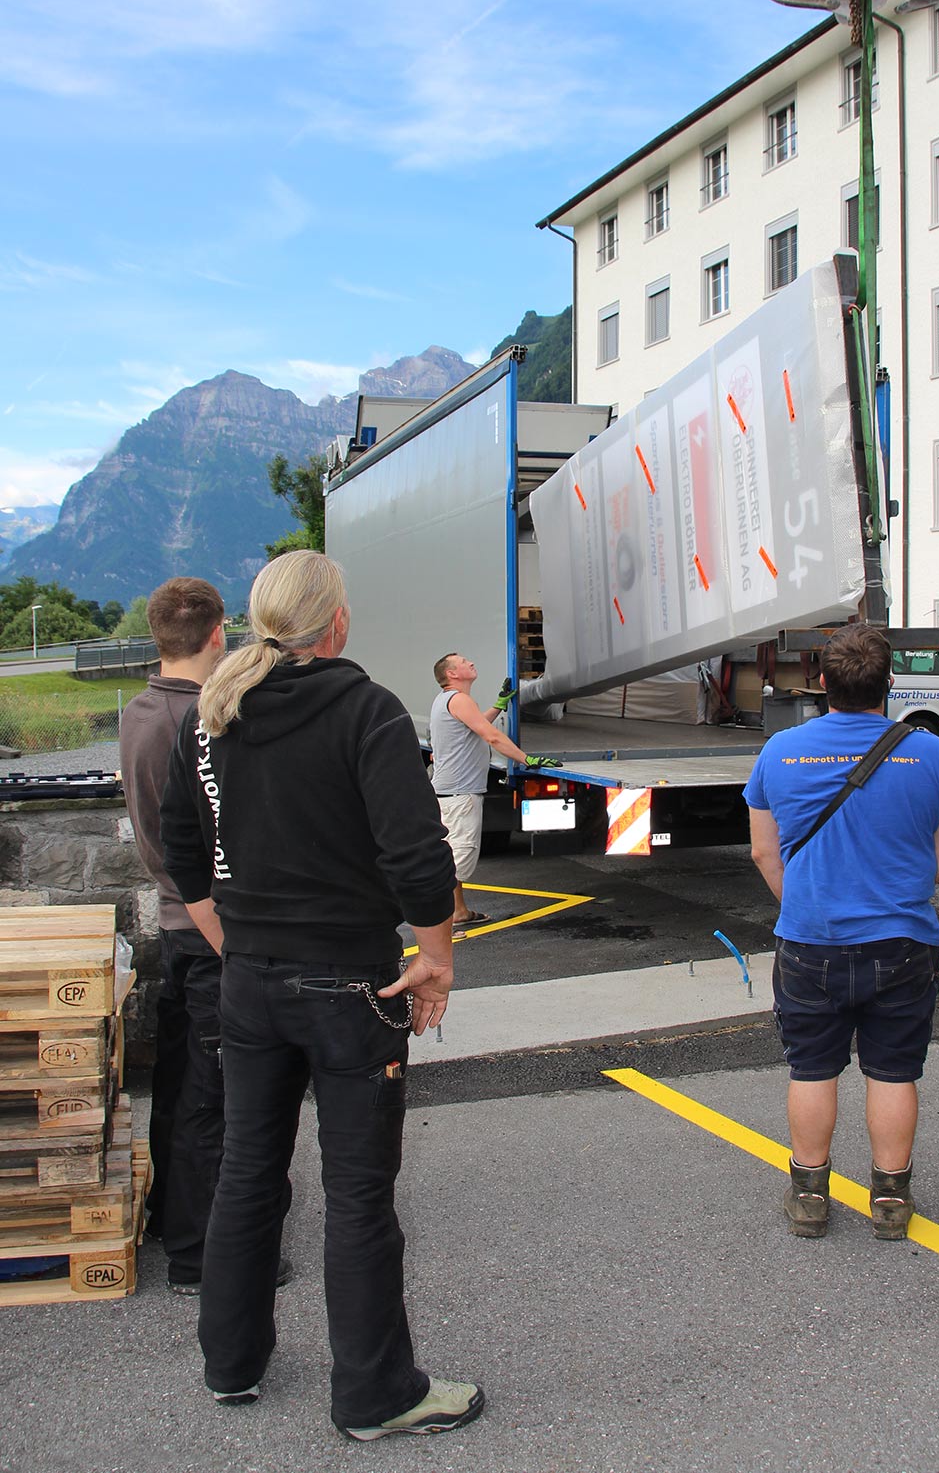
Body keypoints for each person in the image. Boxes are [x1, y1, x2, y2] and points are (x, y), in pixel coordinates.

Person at [160, 550, 484, 1443]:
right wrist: (437, 959)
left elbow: (179, 848)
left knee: (246, 1172)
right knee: (356, 1195)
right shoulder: (363, 707)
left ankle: (230, 1364)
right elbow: (418, 858)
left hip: (251, 986)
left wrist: (240, 947)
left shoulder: (212, 715)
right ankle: (376, 1395)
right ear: (335, 623)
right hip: (350, 985)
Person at [744, 622, 939, 1241]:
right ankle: (891, 1202)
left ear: (821, 683)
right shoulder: (932, 753)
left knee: (812, 1069)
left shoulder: (779, 752)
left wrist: (812, 905)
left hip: (809, 943)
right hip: (903, 940)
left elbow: (766, 854)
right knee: (894, 1071)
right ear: (889, 685)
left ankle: (810, 1198)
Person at [118, 576, 233, 1294]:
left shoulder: (139, 709)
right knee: (211, 1095)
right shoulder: (199, 722)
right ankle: (198, 1253)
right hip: (205, 924)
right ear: (219, 635)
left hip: (173, 918)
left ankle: (170, 1215)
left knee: (177, 1079)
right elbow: (206, 841)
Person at [429, 653, 560, 928]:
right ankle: (447, 917)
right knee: (458, 856)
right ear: (452, 674)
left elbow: (478, 725)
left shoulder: (449, 701)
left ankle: (458, 911)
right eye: (463, 662)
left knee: (453, 855)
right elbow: (491, 735)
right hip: (459, 794)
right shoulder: (458, 699)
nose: (471, 663)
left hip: (452, 792)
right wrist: (526, 759)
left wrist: (498, 706)